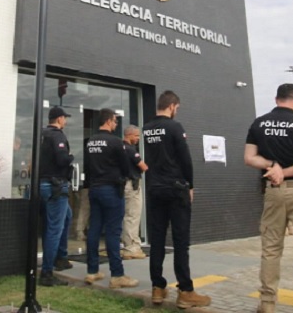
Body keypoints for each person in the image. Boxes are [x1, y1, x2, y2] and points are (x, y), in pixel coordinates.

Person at [244, 83, 293, 313]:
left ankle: (267, 304)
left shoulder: (259, 123)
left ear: (276, 99)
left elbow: (249, 158)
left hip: (273, 191)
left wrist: (274, 166)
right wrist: (284, 172)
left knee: (270, 248)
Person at [143, 90, 212, 309]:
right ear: (172, 106)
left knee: (157, 240)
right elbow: (185, 159)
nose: (176, 112)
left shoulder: (146, 129)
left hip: (155, 189)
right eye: (177, 108)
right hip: (175, 189)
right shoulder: (174, 127)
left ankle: (157, 287)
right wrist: (190, 185)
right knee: (181, 241)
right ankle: (185, 291)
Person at [84, 109, 139, 288]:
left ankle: (92, 270)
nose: (116, 124)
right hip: (112, 190)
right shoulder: (115, 142)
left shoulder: (91, 141)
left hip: (95, 189)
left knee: (94, 229)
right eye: (115, 121)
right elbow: (125, 167)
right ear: (108, 121)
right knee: (113, 232)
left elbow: (87, 166)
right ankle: (117, 274)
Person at [38, 106, 74, 286]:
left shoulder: (42, 134)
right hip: (56, 186)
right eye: (64, 118)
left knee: (67, 216)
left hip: (43, 184)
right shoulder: (57, 135)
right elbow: (62, 159)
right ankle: (47, 272)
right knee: (54, 228)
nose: (65, 121)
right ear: (59, 119)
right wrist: (71, 157)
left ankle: (61, 257)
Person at [121, 124, 148, 259]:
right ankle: (132, 248)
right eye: (136, 135)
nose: (138, 138)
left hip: (121, 184)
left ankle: (127, 244)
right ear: (129, 135)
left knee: (125, 216)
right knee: (133, 216)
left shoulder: (118, 148)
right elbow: (143, 166)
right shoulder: (131, 150)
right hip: (132, 185)